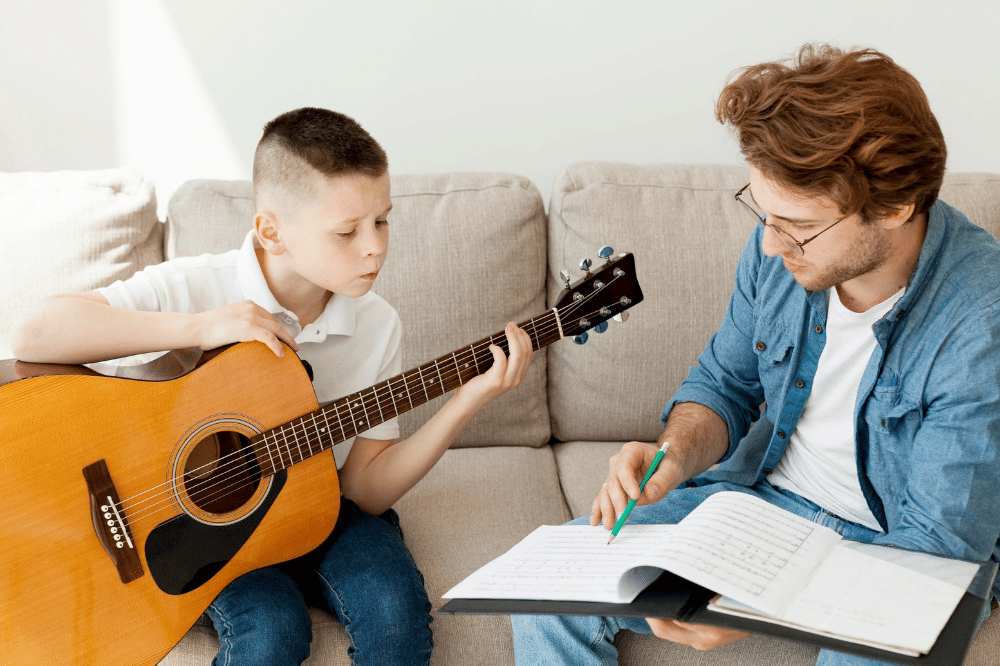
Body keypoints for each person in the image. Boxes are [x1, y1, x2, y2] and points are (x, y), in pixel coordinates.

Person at [510, 44, 1000, 666]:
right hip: (767, 504)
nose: (769, 245)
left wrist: (763, 602)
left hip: (898, 546)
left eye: (798, 225)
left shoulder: (982, 322)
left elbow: (935, 546)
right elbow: (725, 384)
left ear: (896, 209)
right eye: (763, 213)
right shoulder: (780, 251)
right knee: (545, 591)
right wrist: (673, 455)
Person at [10, 107, 534, 666]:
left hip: (328, 505)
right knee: (272, 633)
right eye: (347, 231)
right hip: (197, 526)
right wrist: (200, 327)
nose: (375, 247)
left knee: (396, 620)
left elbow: (364, 491)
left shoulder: (378, 323)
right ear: (271, 232)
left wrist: (465, 403)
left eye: (382, 221)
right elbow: (35, 334)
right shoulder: (197, 285)